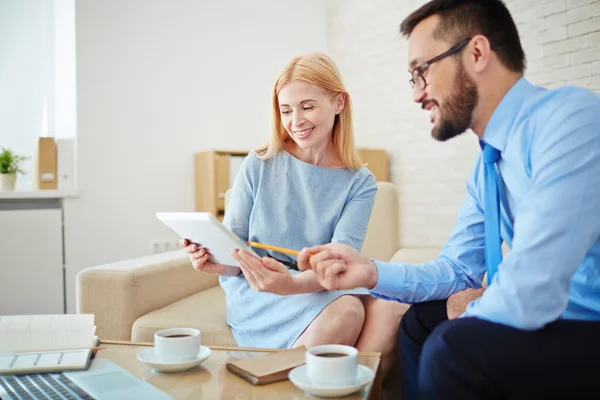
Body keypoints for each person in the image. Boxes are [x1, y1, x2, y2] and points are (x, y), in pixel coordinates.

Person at [296, 1, 600, 399]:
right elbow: (458, 269)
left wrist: (469, 312)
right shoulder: (489, 164)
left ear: (477, 53)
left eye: (422, 71)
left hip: (585, 324)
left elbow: (534, 289)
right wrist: (369, 271)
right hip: (555, 323)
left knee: (452, 348)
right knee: (420, 322)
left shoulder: (572, 121)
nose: (417, 95)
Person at [181, 52, 407, 377]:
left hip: (321, 282)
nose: (296, 121)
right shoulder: (258, 164)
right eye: (286, 110)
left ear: (339, 103)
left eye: (308, 106)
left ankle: (343, 391)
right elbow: (234, 254)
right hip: (260, 289)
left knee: (392, 309)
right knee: (346, 311)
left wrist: (292, 283)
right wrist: (213, 262)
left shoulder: (360, 182)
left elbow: (340, 267)